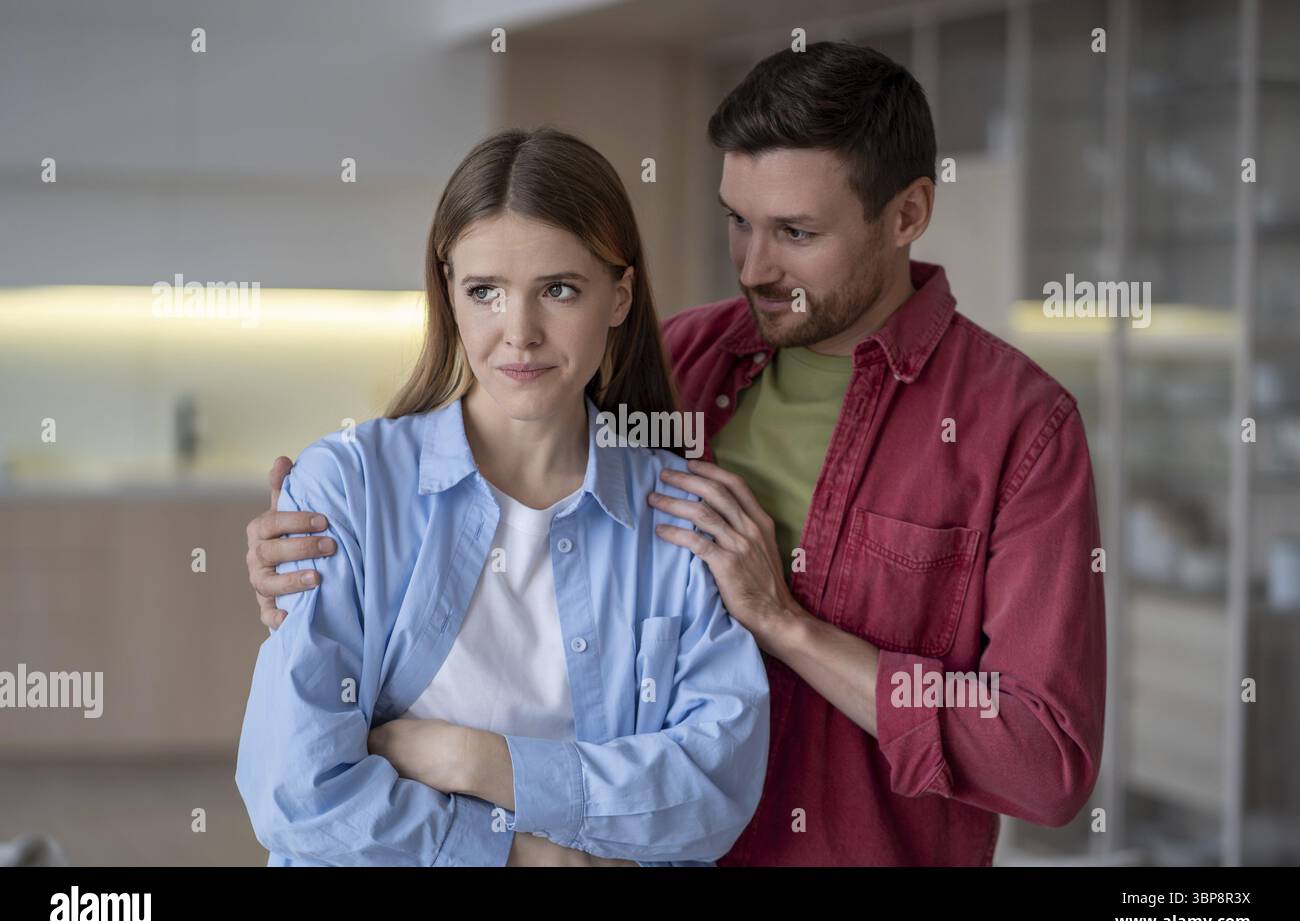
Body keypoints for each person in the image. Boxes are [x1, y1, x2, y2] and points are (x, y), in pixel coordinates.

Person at [247, 42, 1106, 866]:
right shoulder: (682, 365)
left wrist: (788, 627)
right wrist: (322, 550)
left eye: (797, 232)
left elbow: (1043, 757)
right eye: (740, 222)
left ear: (908, 215)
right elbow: (510, 470)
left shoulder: (1018, 431)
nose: (755, 268)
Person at [234, 127, 770, 867]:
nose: (518, 333)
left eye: (559, 290)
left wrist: (476, 761)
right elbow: (297, 792)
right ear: (449, 294)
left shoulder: (679, 512)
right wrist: (532, 857)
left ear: (619, 297)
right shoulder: (346, 489)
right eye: (485, 292)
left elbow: (710, 791)